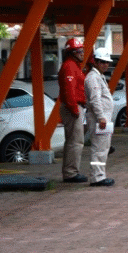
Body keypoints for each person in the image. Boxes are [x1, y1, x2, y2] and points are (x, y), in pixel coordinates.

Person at [84, 48, 116, 187]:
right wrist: (101, 117)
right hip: (99, 119)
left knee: (103, 149)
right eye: (102, 62)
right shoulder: (93, 78)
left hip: (102, 119)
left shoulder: (98, 76)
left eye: (106, 62)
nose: (105, 65)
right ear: (95, 62)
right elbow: (95, 100)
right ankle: (97, 177)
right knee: (99, 150)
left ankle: (99, 175)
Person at [58, 38, 88, 183]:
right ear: (72, 53)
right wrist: (74, 108)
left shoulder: (74, 66)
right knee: (75, 142)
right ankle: (71, 173)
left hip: (75, 106)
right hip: (73, 107)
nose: (82, 53)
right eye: (79, 51)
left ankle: (71, 171)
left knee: (74, 141)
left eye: (82, 50)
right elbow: (69, 90)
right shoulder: (70, 67)